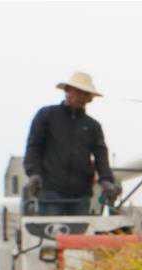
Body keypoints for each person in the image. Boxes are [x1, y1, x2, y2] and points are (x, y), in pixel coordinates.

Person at [23, 71, 121, 216]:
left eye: (85, 94)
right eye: (78, 92)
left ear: (89, 98)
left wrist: (106, 180)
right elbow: (34, 147)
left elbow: (101, 157)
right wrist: (34, 173)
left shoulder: (93, 126)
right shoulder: (46, 116)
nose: (81, 97)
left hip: (81, 195)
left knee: (78, 238)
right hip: (50, 191)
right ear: (67, 91)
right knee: (53, 235)